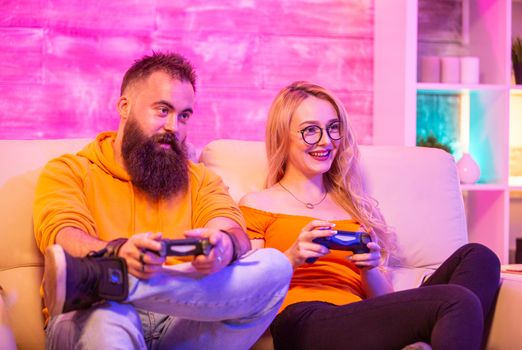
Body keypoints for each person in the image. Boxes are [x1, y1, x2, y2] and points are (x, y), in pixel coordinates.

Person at [33, 52, 292, 350]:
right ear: (125, 107)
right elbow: (64, 238)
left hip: (178, 321)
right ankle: (115, 286)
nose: (174, 126)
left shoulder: (200, 178)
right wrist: (119, 252)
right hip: (94, 313)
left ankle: (123, 282)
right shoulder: (70, 170)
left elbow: (232, 229)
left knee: (275, 266)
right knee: (107, 311)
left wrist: (224, 246)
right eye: (162, 110)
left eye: (184, 115)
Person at [239, 81, 501, 350]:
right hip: (303, 321)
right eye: (310, 131)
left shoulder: (353, 207)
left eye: (333, 128)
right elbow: (245, 298)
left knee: (479, 257)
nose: (326, 141)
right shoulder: (258, 204)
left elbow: (383, 299)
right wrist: (291, 258)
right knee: (457, 301)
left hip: (363, 320)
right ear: (283, 135)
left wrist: (371, 267)